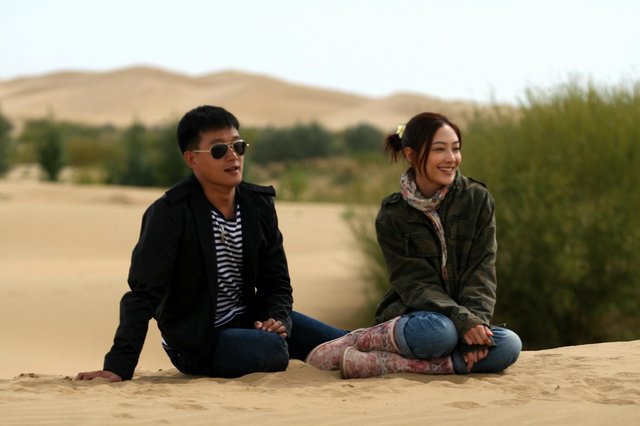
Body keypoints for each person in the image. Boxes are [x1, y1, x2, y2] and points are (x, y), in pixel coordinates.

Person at [76, 105, 345, 382]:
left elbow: (276, 282)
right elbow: (142, 296)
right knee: (272, 350)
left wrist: (276, 319)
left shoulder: (257, 205)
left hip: (250, 322)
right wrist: (118, 367)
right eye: (219, 150)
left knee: (345, 342)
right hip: (198, 341)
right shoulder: (169, 213)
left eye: (238, 146)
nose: (233, 156)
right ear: (192, 159)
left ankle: (371, 354)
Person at [306, 112, 521, 379]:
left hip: (463, 318)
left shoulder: (477, 199)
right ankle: (361, 339)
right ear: (411, 154)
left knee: (509, 345)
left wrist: (475, 324)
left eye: (456, 149)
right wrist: (462, 321)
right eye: (440, 149)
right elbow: (414, 283)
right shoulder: (393, 214)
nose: (451, 158)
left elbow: (482, 270)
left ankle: (382, 364)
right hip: (418, 318)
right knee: (440, 334)